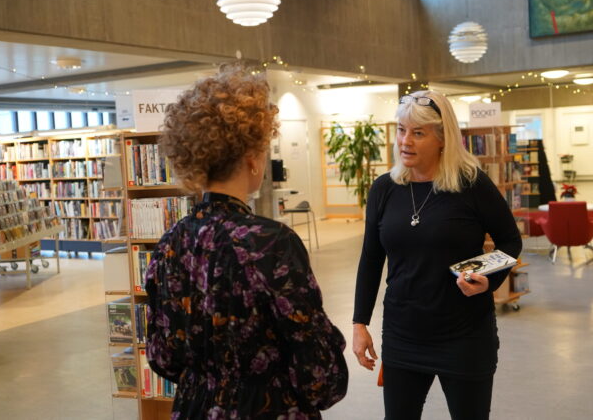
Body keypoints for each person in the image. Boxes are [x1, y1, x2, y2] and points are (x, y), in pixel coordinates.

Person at [145, 66, 348, 419]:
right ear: (252, 159)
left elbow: (163, 357)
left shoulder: (169, 243)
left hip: (194, 408)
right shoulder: (270, 243)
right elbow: (319, 371)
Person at [352, 90, 522, 420]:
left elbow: (510, 241)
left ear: (443, 138)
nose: (405, 141)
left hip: (464, 334)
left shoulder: (472, 184)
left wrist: (486, 278)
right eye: (401, 130)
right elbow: (371, 258)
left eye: (418, 133)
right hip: (403, 333)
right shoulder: (384, 189)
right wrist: (360, 322)